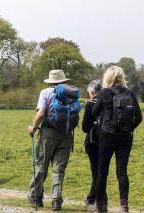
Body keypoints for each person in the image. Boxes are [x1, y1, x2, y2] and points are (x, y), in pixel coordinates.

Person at [92, 66, 143, 213]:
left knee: (102, 171)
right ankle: (123, 205)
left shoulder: (105, 92)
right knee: (122, 171)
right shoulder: (130, 93)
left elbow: (95, 112)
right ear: (122, 77)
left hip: (107, 135)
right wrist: (130, 128)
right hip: (125, 137)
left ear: (108, 78)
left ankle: (99, 204)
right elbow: (139, 117)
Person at [26, 70, 78, 211]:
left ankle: (36, 196)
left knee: (41, 164)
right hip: (66, 133)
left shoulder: (45, 92)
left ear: (50, 81)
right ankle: (56, 201)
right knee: (58, 169)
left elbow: (41, 113)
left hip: (48, 133)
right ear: (63, 81)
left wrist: (34, 128)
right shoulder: (70, 93)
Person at [81, 79, 103, 211]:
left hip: (93, 141)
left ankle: (92, 198)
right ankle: (96, 199)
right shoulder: (108, 102)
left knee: (96, 172)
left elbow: (84, 127)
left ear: (92, 91)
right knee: (101, 171)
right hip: (107, 141)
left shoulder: (90, 104)